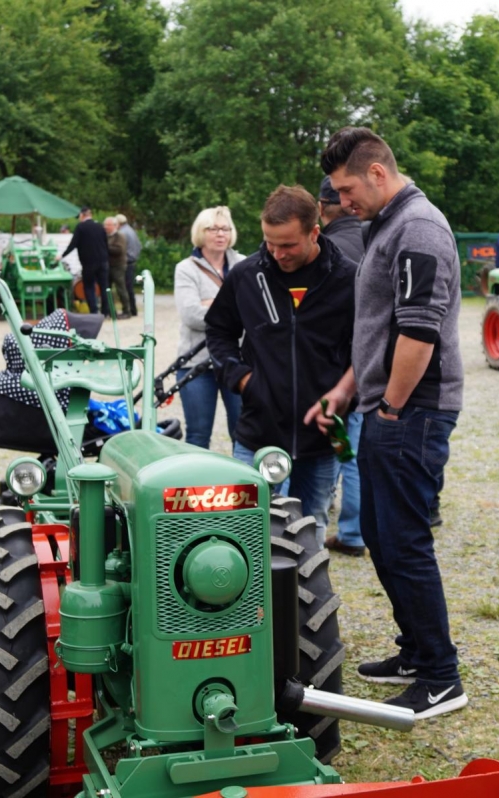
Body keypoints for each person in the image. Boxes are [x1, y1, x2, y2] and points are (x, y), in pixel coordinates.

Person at [320, 126, 466, 719]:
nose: (343, 202)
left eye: (348, 189)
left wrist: (391, 407)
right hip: (391, 406)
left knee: (404, 542)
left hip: (414, 410)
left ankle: (441, 677)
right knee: (381, 536)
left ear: (378, 173)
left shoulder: (418, 228)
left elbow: (418, 330)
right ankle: (415, 650)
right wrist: (346, 390)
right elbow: (379, 330)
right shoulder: (385, 224)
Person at [207, 185, 357, 542]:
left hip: (325, 433)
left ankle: (306, 599)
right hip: (257, 429)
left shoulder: (349, 279)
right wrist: (242, 379)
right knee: (246, 525)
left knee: (313, 522)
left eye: (288, 244)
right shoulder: (246, 276)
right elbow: (217, 332)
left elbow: (366, 350)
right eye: (270, 242)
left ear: (314, 231)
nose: (277, 253)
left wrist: (344, 391)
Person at [318, 175, 366, 556]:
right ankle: (352, 532)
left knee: (330, 449)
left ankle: (307, 531)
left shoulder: (322, 247)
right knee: (352, 453)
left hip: (330, 372)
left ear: (320, 207)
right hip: (366, 367)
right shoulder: (375, 236)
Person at [173, 207, 243, 450]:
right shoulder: (186, 269)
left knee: (243, 434)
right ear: (200, 233)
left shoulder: (244, 264)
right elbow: (191, 315)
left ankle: (244, 486)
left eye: (225, 228)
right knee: (198, 437)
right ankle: (196, 488)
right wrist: (233, 310)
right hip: (196, 363)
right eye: (213, 228)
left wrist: (211, 304)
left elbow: (254, 310)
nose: (220, 234)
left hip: (237, 360)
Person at [61, 207, 110, 316]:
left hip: (89, 263)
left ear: (82, 215)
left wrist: (61, 255)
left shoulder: (81, 227)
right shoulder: (100, 226)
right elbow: (106, 244)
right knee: (104, 287)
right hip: (103, 261)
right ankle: (105, 311)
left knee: (89, 286)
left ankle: (94, 311)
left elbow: (73, 244)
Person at [103, 215, 130, 318]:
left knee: (121, 289)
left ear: (114, 226)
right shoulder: (105, 236)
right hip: (108, 266)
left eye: (108, 225)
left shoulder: (119, 236)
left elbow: (119, 250)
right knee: (108, 289)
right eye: (105, 225)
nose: (106, 227)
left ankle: (126, 310)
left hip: (118, 266)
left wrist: (105, 247)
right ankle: (111, 311)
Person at [117, 214, 142, 314]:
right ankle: (133, 309)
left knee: (126, 287)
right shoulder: (131, 230)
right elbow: (139, 246)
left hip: (127, 261)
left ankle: (129, 309)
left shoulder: (122, 233)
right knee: (129, 286)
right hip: (133, 260)